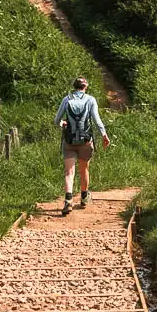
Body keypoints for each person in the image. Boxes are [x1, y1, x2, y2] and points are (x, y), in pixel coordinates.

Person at [54, 76, 110, 216]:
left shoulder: (66, 99)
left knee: (69, 172)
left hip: (69, 141)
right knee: (84, 169)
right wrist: (104, 134)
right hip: (85, 141)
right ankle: (84, 197)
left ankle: (68, 200)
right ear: (86, 87)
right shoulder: (90, 100)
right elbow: (96, 120)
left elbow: (57, 120)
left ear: (74, 86)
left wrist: (63, 124)